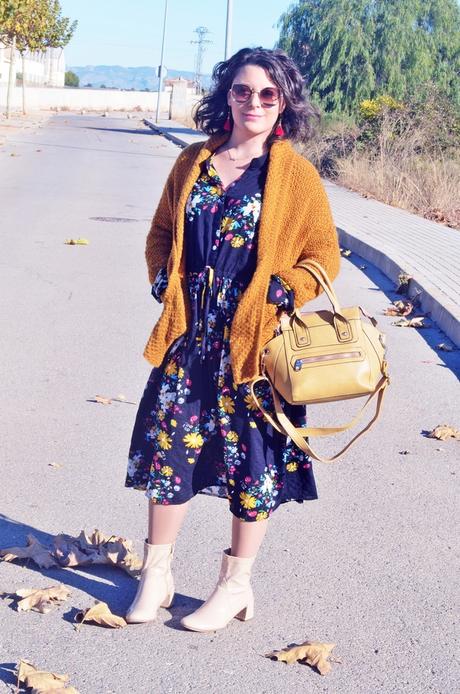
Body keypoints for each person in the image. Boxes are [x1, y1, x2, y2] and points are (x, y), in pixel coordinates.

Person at [124, 47, 340, 631]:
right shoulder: (194, 160)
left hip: (253, 343)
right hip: (187, 334)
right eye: (242, 91)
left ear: (284, 104)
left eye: (268, 94)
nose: (254, 102)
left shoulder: (294, 175)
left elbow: (324, 255)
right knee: (170, 452)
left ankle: (235, 586)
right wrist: (161, 283)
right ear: (226, 96)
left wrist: (285, 289)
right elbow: (161, 232)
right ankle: (157, 575)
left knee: (253, 462)